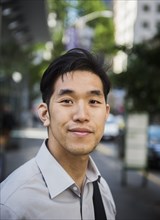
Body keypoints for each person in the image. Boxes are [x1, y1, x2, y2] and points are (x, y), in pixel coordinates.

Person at [0, 48, 116, 220]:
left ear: (106, 113)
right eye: (67, 101)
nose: (82, 115)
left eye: (93, 101)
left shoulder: (102, 191)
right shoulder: (13, 204)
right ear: (45, 114)